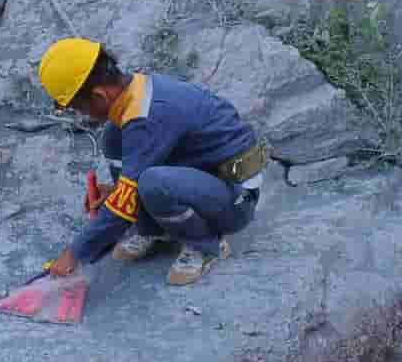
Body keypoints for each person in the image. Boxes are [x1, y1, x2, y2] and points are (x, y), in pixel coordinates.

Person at [34, 37, 270, 287]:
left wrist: (75, 254)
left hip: (236, 197)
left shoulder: (147, 117)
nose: (80, 115)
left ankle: (206, 244)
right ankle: (151, 229)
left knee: (154, 184)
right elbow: (131, 182)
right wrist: (118, 193)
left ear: (100, 96)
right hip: (205, 174)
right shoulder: (135, 93)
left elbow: (128, 196)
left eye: (78, 108)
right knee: (113, 137)